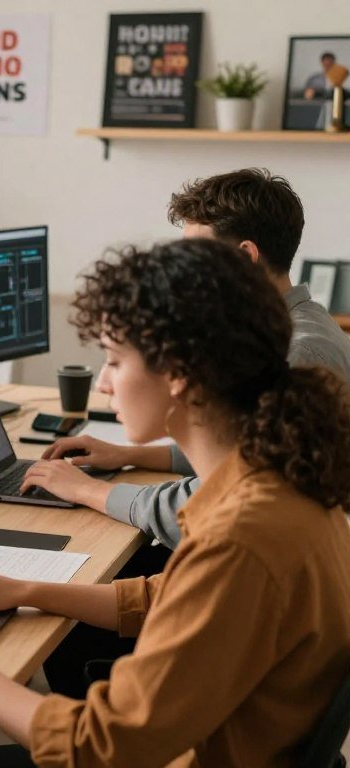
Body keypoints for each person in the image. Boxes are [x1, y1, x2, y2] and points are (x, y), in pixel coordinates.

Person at [0, 238, 350, 766]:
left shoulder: (242, 538)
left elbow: (100, 745)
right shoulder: (279, 483)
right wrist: (24, 590)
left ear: (179, 373)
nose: (104, 383)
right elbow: (172, 596)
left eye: (115, 360)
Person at [24, 168, 350, 698]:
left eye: (194, 263)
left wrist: (90, 490)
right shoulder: (296, 329)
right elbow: (235, 450)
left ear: (243, 258)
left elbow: (214, 498)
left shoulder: (298, 351)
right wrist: (136, 454)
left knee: (70, 633)